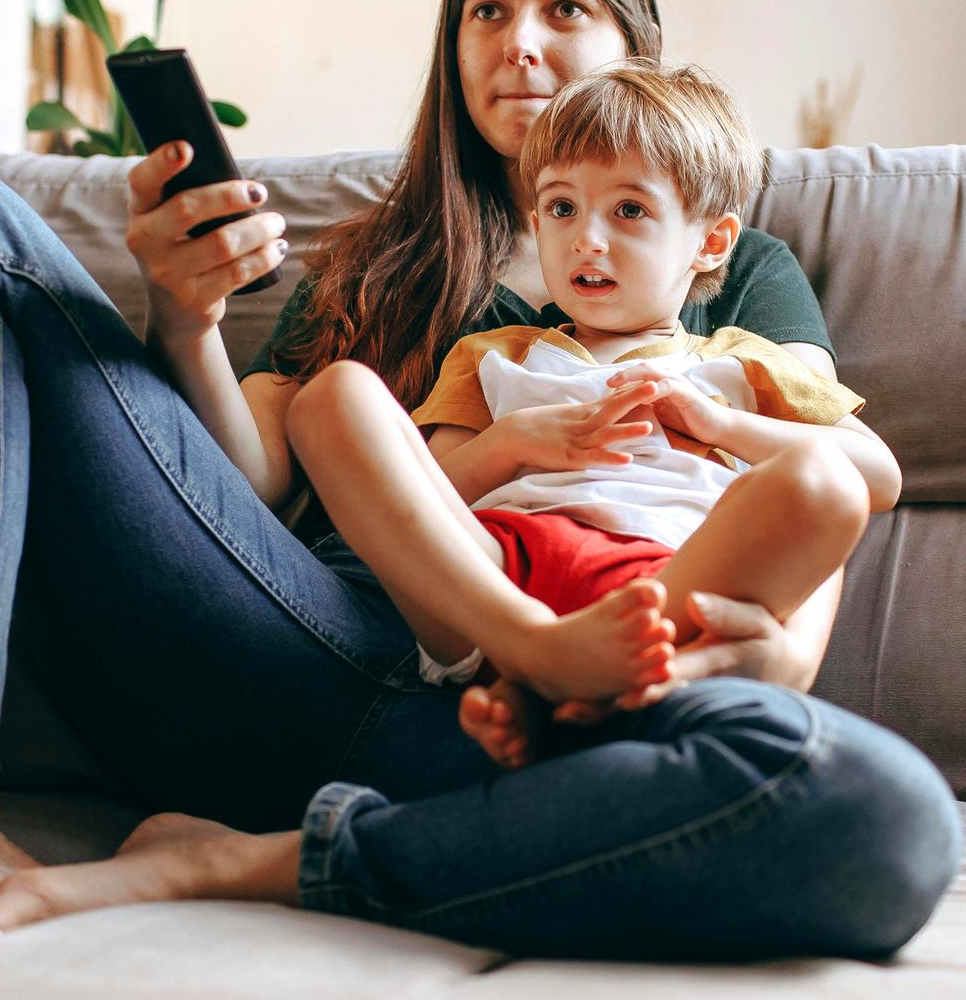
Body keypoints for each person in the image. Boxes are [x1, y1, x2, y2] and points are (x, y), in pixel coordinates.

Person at [0, 0, 957, 966]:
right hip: (294, 643)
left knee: (888, 817)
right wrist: (187, 313)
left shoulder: (727, 266)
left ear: (634, 45)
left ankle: (259, 861)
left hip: (543, 723)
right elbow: (249, 480)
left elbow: (819, 487)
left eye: (564, 6)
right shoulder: (383, 254)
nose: (519, 43)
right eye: (486, 10)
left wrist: (767, 652)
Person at [284, 62, 900, 768]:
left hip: (661, 590)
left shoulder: (745, 363)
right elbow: (427, 496)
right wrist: (514, 443)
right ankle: (535, 658)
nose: (586, 240)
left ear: (712, 242)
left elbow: (878, 477)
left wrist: (718, 424)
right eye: (561, 207)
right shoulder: (496, 355)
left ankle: (555, 697)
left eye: (629, 210)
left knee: (826, 482)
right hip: (495, 582)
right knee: (335, 397)